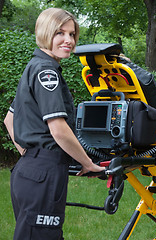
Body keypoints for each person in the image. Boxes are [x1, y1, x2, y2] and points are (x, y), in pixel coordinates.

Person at [3, 8, 105, 240]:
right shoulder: (47, 72)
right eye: (60, 33)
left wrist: (31, 157)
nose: (68, 40)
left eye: (72, 34)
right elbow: (58, 129)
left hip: (28, 171)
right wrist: (88, 163)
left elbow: (9, 120)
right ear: (45, 33)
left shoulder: (32, 67)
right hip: (44, 174)